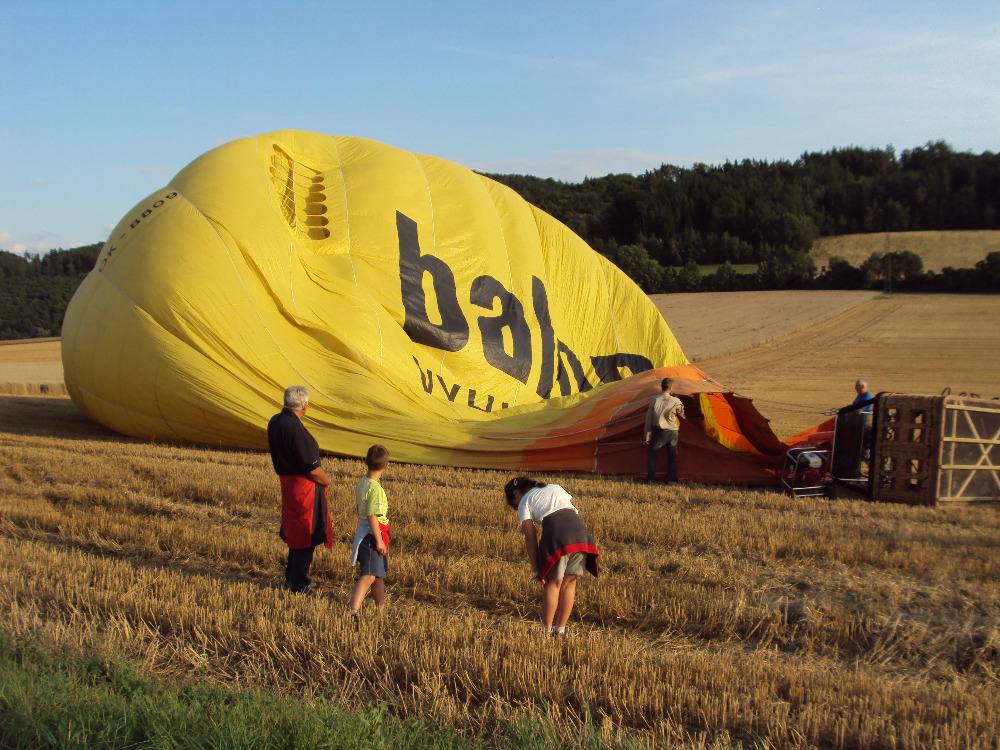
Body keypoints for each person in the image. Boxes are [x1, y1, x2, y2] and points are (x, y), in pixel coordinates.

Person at [504, 477, 599, 636]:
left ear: (516, 493)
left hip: (558, 536)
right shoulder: (555, 487)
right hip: (581, 534)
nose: (516, 507)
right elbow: (571, 510)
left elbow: (530, 535)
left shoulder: (525, 500)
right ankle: (560, 630)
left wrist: (536, 568)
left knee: (552, 584)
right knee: (569, 583)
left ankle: (545, 631)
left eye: (514, 503)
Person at [267, 385, 333, 594]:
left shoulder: (275, 421)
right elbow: (312, 468)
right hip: (304, 489)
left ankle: (292, 575)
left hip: (288, 485)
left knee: (296, 533)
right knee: (306, 534)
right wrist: (326, 480)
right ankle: (299, 582)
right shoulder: (295, 429)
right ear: (305, 405)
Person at [348, 444, 391, 620]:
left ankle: (381, 609)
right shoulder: (375, 489)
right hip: (372, 536)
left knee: (378, 575)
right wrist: (379, 540)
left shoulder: (363, 482)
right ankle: (352, 611)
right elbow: (372, 516)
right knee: (368, 575)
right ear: (386, 465)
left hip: (367, 532)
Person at [644, 377, 685, 483]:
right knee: (672, 456)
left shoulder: (654, 399)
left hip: (660, 432)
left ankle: (651, 479)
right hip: (673, 432)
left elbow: (648, 417)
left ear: (661, 387)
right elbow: (682, 414)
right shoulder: (676, 400)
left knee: (652, 454)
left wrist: (647, 434)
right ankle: (671, 479)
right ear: (671, 388)